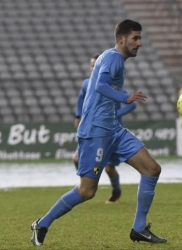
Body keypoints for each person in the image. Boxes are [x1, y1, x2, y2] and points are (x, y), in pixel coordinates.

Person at [30, 19, 167, 246]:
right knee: (86, 191)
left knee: (152, 169)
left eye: (140, 38)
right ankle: (41, 224)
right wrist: (126, 97)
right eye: (135, 38)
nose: (139, 43)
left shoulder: (113, 58)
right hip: (96, 132)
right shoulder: (113, 58)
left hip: (113, 129)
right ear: (121, 39)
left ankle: (139, 228)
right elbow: (100, 86)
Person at [73, 54, 137, 203]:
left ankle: (116, 191)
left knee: (109, 167)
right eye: (92, 65)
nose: (94, 67)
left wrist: (116, 113)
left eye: (97, 65)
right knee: (76, 158)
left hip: (110, 130)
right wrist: (78, 116)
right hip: (91, 128)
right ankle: (85, 185)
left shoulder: (113, 86)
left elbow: (132, 104)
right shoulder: (86, 84)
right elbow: (80, 99)